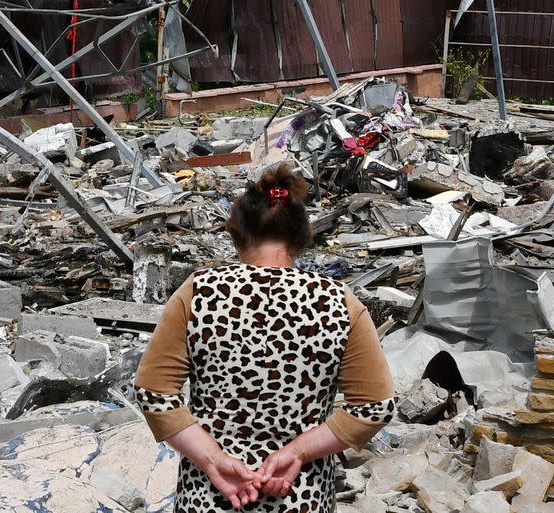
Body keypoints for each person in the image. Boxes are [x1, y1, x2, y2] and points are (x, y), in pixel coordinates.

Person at [133, 163, 395, 513]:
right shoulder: (338, 301)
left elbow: (154, 393)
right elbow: (373, 407)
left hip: (211, 498)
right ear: (301, 239)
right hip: (299, 499)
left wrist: (212, 459)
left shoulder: (199, 292)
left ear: (238, 235)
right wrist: (297, 451)